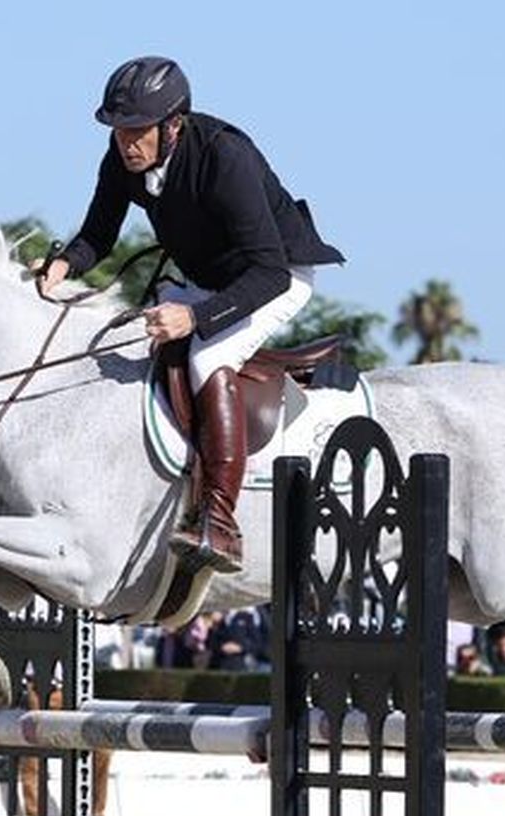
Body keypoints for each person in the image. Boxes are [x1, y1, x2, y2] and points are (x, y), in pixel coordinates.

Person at [38, 56, 343, 574]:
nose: (126, 142)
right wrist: (62, 264)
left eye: (137, 131)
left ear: (173, 124)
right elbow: (98, 235)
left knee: (206, 357)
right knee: (137, 338)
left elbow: (267, 272)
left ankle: (220, 522)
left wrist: (196, 320)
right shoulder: (121, 160)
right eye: (118, 131)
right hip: (214, 278)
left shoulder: (226, 157)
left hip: (278, 275)